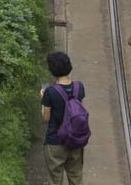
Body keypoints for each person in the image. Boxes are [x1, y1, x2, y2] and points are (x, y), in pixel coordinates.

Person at [41, 51, 85, 184]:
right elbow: (80, 111)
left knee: (55, 179)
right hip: (75, 140)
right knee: (76, 176)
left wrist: (43, 99)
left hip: (55, 141)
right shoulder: (79, 87)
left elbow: (46, 118)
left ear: (52, 70)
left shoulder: (50, 92)